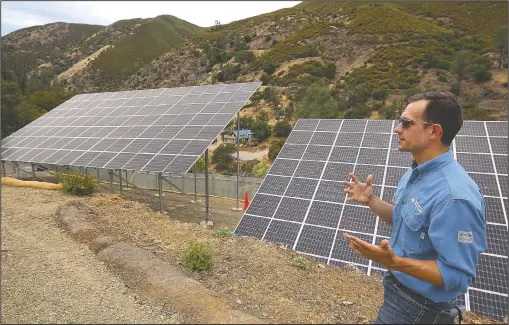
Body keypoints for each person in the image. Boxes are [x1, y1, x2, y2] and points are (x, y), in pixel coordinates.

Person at [342, 92, 487, 324]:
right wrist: (371, 200)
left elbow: (457, 276)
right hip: (399, 294)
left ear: (434, 131)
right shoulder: (417, 173)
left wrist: (395, 262)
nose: (397, 129)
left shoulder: (455, 197)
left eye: (407, 123)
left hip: (421, 311)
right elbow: (406, 222)